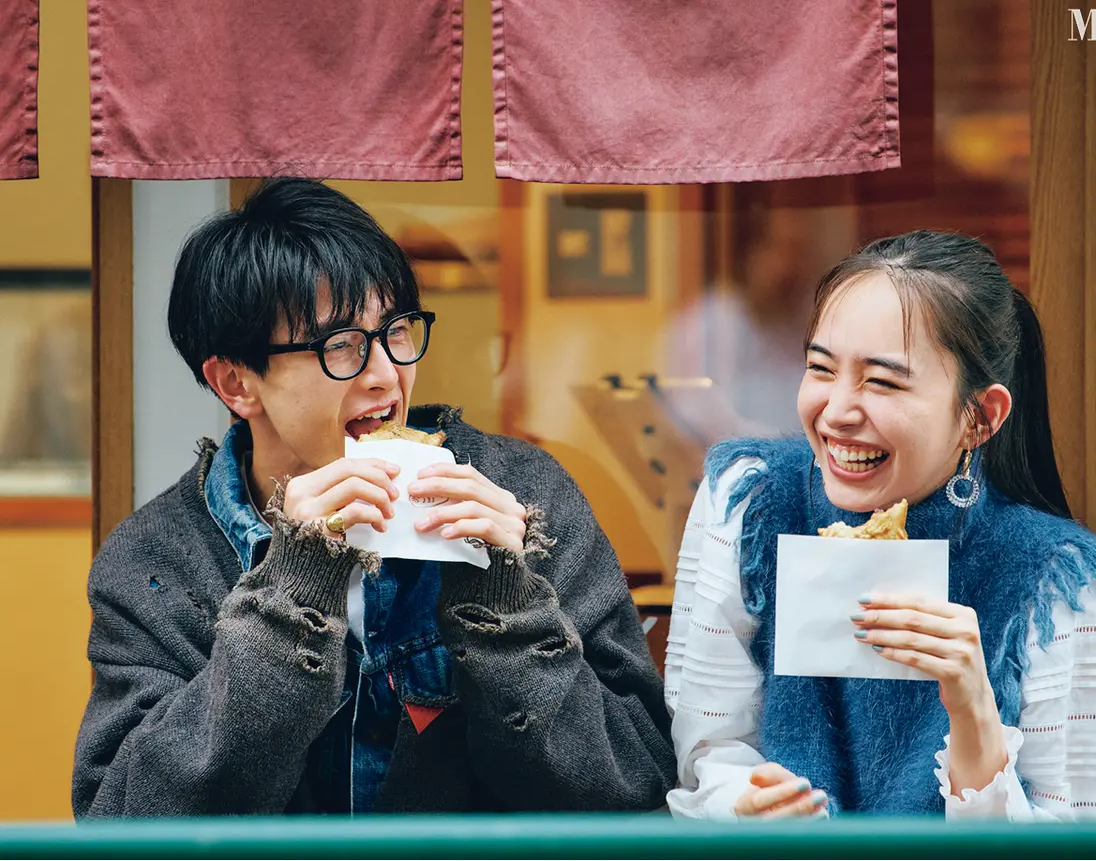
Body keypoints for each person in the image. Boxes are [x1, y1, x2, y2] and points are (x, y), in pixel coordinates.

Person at [73, 178, 675, 817]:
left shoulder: (522, 497)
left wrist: (508, 604)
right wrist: (293, 594)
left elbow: (634, 789)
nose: (386, 376)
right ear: (236, 383)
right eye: (341, 347)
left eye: (396, 332)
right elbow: (125, 826)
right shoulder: (159, 560)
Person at [665, 231, 1096, 820]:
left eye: (883, 381)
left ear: (981, 416)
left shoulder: (1063, 585)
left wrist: (974, 714)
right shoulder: (747, 506)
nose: (837, 411)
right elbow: (706, 755)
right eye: (820, 368)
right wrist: (746, 804)